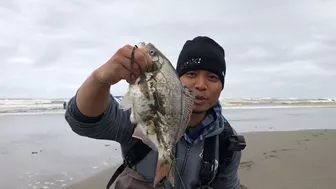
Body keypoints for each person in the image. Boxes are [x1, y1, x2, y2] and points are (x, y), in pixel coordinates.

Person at [64, 36, 246, 189]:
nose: (200, 84)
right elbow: (84, 121)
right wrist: (100, 80)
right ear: (176, 81)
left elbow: (228, 186)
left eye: (212, 77)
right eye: (191, 74)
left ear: (221, 86)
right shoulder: (143, 113)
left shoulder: (226, 141)